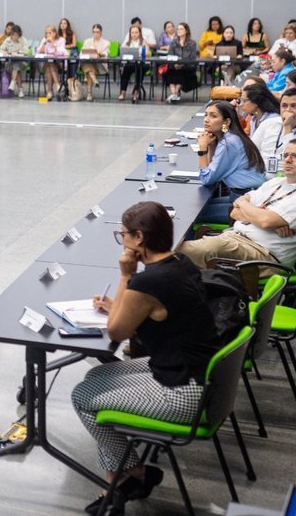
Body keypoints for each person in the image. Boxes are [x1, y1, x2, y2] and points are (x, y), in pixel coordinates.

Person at [72, 202, 218, 516]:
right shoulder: (180, 264)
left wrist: (126, 275)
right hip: (201, 375)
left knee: (81, 396)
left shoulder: (148, 282)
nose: (121, 240)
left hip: (182, 392)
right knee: (96, 377)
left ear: (139, 238)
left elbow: (117, 332)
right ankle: (121, 479)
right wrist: (119, 305)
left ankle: (129, 474)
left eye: (123, 234)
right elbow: (150, 311)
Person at [177, 138, 296, 269]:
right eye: (286, 155)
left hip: (263, 255)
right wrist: (255, 213)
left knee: (179, 252)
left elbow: (265, 221)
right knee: (178, 248)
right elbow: (234, 211)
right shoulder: (276, 182)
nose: (288, 160)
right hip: (235, 238)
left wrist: (254, 212)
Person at [194, 101, 267, 224]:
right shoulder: (230, 137)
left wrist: (202, 149)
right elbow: (213, 171)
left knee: (194, 214)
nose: (206, 120)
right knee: (198, 207)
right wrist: (211, 146)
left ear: (226, 122)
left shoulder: (229, 143)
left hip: (247, 202)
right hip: (243, 196)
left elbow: (207, 178)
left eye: (213, 116)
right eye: (205, 115)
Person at [239, 85, 282, 158]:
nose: (240, 104)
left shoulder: (273, 121)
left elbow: (269, 151)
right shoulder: (253, 119)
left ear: (255, 102)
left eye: (243, 101)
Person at [162, 22, 198, 103]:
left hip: (187, 67)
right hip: (174, 66)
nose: (179, 31)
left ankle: (174, 94)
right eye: (178, 29)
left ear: (186, 31)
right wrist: (175, 64)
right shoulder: (173, 42)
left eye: (181, 29)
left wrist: (182, 64)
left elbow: (192, 58)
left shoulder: (192, 43)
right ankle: (175, 94)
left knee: (181, 72)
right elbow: (170, 56)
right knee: (169, 72)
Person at [78, 24, 110, 101]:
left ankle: (89, 93)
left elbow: (106, 54)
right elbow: (82, 52)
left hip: (99, 65)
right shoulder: (87, 41)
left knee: (89, 70)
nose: (95, 34)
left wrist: (100, 54)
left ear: (101, 32)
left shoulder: (106, 42)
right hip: (87, 62)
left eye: (97, 32)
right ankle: (94, 80)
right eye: (94, 32)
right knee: (88, 65)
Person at [0, 24, 33, 98]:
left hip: (22, 63)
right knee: (16, 67)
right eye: (13, 35)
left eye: (16, 35)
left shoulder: (23, 40)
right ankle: (20, 89)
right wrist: (5, 52)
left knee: (16, 65)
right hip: (9, 63)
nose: (14, 37)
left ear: (20, 34)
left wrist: (17, 53)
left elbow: (26, 51)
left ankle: (13, 82)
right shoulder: (8, 40)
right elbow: (1, 49)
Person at [36, 24, 68, 100]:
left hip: (60, 64)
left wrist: (53, 43)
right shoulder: (44, 40)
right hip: (47, 63)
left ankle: (50, 92)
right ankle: (58, 85)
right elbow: (39, 51)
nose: (48, 35)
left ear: (54, 33)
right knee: (49, 64)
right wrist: (44, 44)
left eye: (49, 33)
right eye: (46, 33)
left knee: (50, 65)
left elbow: (63, 52)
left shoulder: (61, 40)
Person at [118, 24, 147, 102]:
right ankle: (123, 92)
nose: (134, 34)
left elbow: (147, 53)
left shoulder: (143, 42)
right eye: (132, 32)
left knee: (139, 71)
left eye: (136, 32)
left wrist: (141, 53)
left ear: (139, 33)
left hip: (140, 63)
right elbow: (122, 52)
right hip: (130, 63)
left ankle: (136, 91)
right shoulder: (127, 42)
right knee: (125, 71)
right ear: (130, 33)